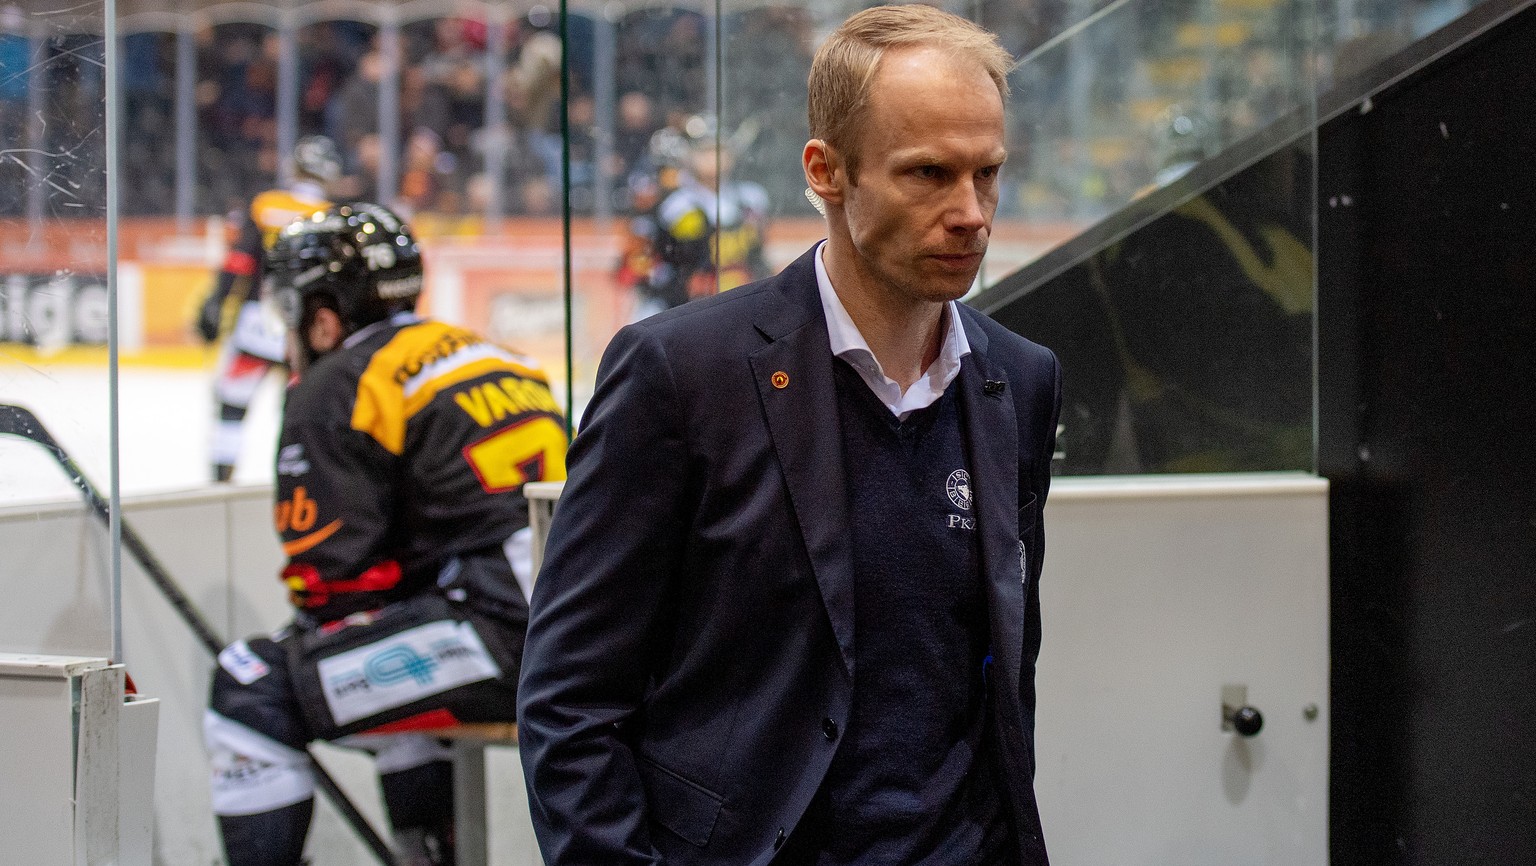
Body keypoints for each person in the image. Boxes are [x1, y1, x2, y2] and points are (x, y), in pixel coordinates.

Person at [518, 6, 1061, 866]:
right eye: (928, 174)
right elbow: (570, 699)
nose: (971, 213)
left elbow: (999, 669)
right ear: (827, 170)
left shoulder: (1020, 379)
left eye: (986, 173)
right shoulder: (680, 374)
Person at [204, 202, 567, 866]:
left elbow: (330, 585)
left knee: (249, 687)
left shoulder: (338, 383)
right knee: (394, 674)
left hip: (508, 642)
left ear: (322, 315)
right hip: (577, 629)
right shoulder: (496, 355)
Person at [194, 134, 341, 482]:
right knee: (297, 412)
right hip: (303, 329)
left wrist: (216, 300)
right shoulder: (333, 216)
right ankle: (295, 481)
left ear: (295, 167)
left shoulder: (264, 204)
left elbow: (241, 261)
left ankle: (221, 481)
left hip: (256, 321)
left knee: (232, 405)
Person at [629, 115, 772, 320]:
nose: (714, 158)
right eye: (705, 151)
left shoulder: (751, 198)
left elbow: (757, 256)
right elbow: (658, 261)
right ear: (688, 156)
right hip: (683, 307)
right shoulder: (675, 205)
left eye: (720, 150)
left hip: (739, 302)